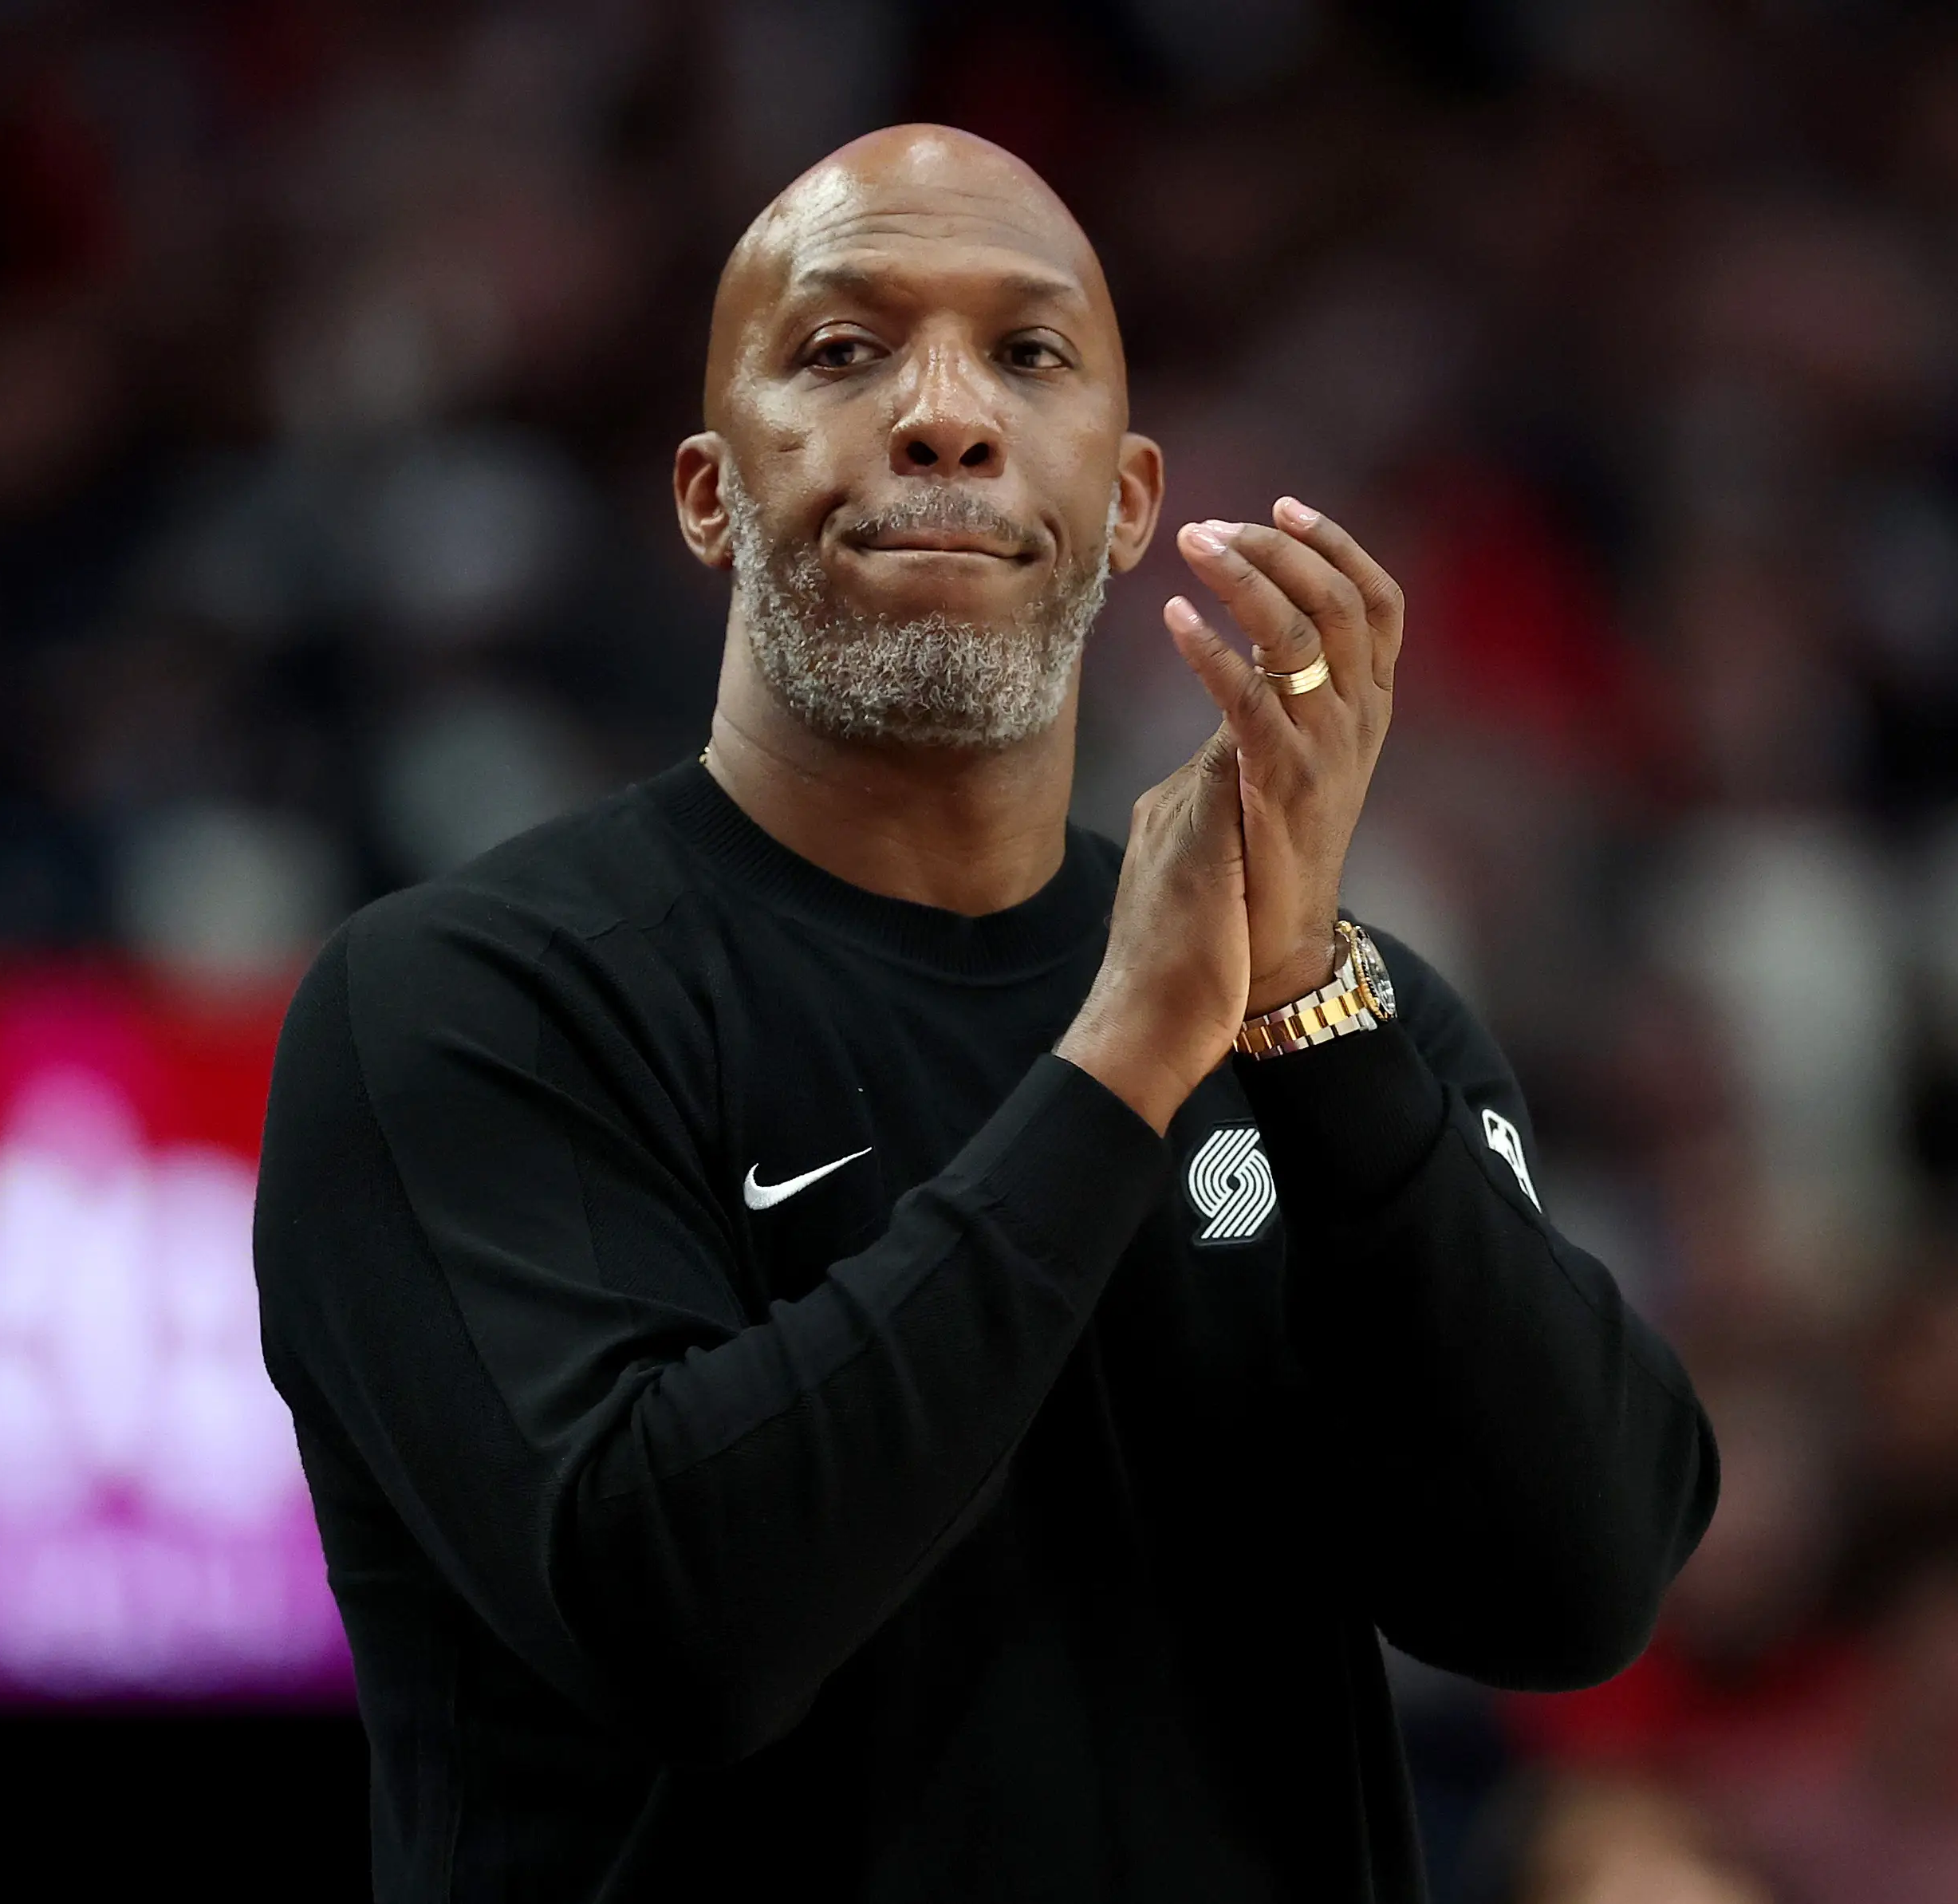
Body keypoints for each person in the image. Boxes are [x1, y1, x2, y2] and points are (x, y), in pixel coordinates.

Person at [251, 124, 1717, 1902]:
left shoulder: (1323, 1012)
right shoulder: (467, 1003)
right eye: (840, 350)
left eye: (1026, 356)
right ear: (709, 491)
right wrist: (1117, 1064)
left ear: (1122, 497)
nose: (942, 417)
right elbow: (676, 1622)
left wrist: (1309, 1023)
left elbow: (1570, 1586)